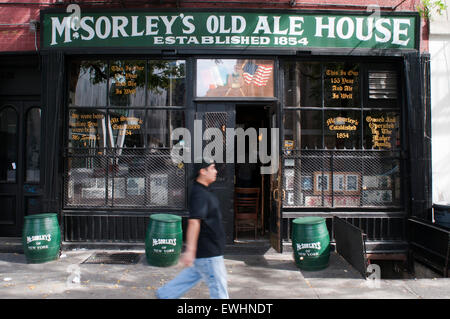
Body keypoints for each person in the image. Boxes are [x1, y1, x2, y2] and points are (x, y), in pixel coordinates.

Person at [156, 158, 229, 299]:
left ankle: (164, 295)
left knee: (189, 278)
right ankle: (164, 295)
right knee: (219, 290)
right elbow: (194, 222)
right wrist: (190, 250)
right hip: (209, 252)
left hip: (208, 252)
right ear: (203, 171)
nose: (216, 171)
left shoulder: (205, 190)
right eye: (212, 168)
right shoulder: (199, 193)